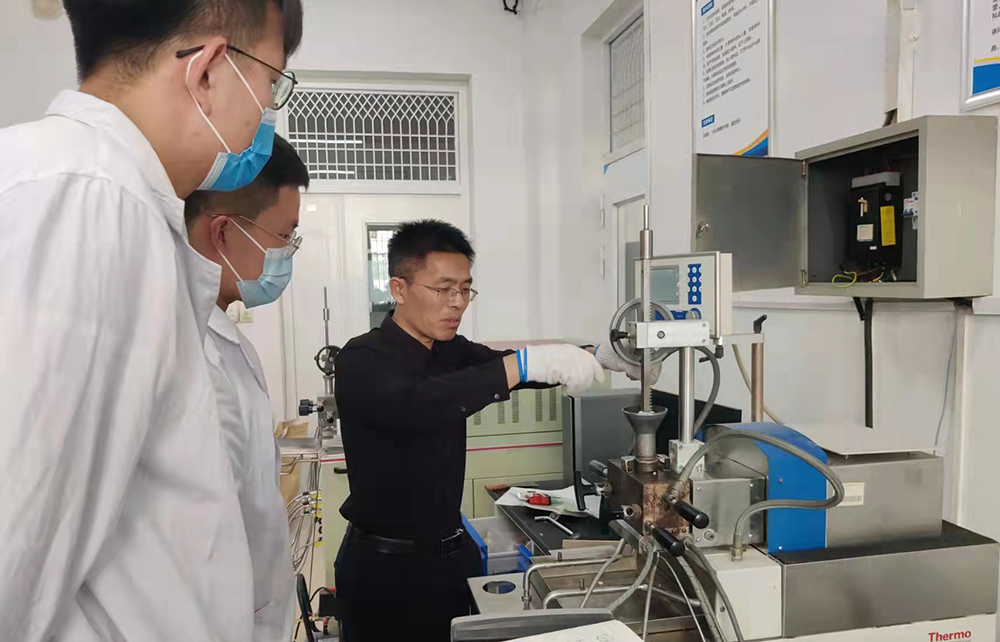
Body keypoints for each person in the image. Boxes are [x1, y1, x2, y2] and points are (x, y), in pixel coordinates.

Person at [0, 1, 302, 641]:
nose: (265, 113)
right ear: (210, 71)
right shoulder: (91, 196)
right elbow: (13, 553)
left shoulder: (103, 193)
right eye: (271, 83)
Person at [333, 220, 651, 641]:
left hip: (450, 562)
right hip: (387, 574)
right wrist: (522, 365)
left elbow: (507, 368)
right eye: (443, 289)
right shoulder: (362, 358)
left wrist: (596, 355)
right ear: (399, 288)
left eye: (465, 289)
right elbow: (417, 405)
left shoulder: (449, 350)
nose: (457, 303)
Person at [184, 134, 309, 642]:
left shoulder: (226, 339)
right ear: (223, 233)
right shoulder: (189, 355)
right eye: (283, 236)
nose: (287, 254)